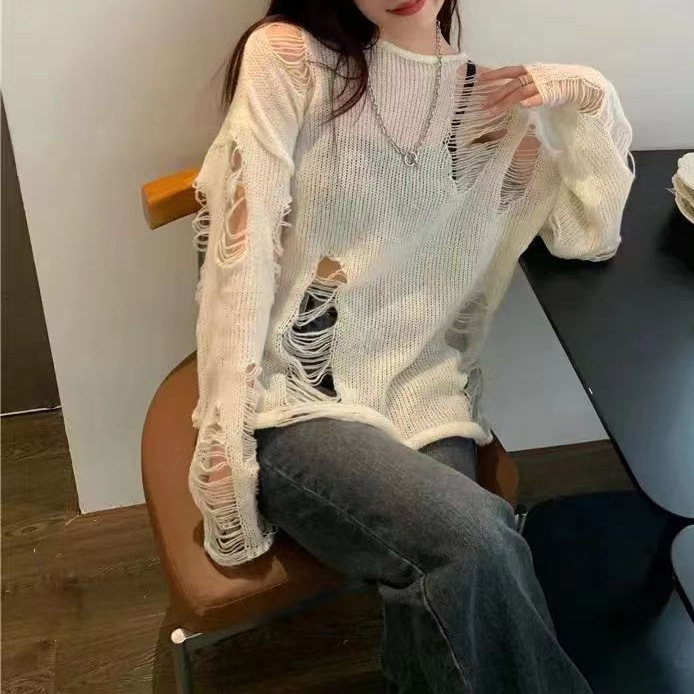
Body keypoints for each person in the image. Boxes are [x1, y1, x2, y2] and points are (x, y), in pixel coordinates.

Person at [189, 0, 634, 690]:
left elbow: (587, 236)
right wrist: (226, 454)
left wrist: (587, 95)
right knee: (476, 542)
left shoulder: (492, 106)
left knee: (455, 579)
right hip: (298, 401)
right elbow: (239, 270)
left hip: (426, 398)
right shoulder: (290, 60)